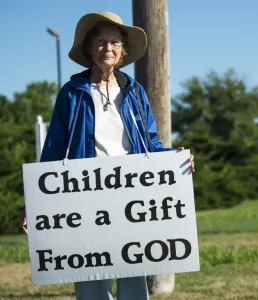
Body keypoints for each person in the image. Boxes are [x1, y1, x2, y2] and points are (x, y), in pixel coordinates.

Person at [21, 11, 195, 300]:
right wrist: (36, 204)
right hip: (85, 195)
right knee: (89, 274)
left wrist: (174, 158)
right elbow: (53, 149)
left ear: (123, 50)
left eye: (115, 42)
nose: (108, 48)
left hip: (131, 196)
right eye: (101, 41)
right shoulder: (72, 93)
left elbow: (150, 142)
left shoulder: (135, 92)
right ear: (89, 48)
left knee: (133, 272)